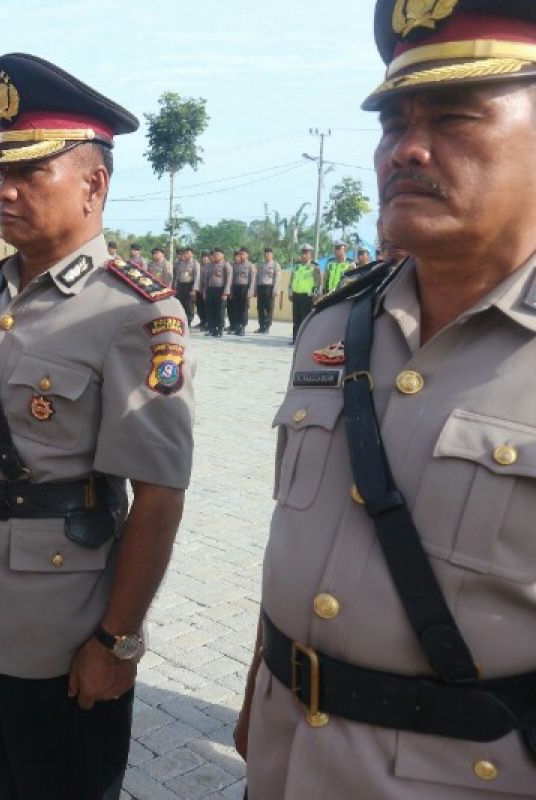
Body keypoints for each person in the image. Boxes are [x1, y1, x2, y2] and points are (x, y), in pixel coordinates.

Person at [236, 2, 536, 797]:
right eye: (392, 121)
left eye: (453, 117)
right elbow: (300, 537)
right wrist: (260, 678)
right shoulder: (338, 325)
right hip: (282, 755)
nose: (405, 148)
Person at [0, 52, 195, 800]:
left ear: (94, 185)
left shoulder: (135, 311)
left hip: (65, 623)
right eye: (2, 175)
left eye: (30, 175)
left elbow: (159, 494)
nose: (8, 194)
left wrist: (117, 639)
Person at [288, 243, 321, 343]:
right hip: (296, 295)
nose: (304, 255)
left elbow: (318, 282)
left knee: (305, 318)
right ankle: (295, 339)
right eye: (302, 253)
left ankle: (304, 339)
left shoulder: (314, 267)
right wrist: (290, 292)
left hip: (307, 297)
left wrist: (315, 295)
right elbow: (291, 280)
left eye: (306, 253)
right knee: (296, 318)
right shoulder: (296, 267)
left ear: (310, 254)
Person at [204, 247, 232, 337]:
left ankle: (220, 329)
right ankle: (212, 329)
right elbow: (206, 279)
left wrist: (225, 292)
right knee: (210, 310)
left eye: (218, 254)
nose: (216, 256)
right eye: (215, 254)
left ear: (222, 255)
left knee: (220, 311)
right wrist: (204, 291)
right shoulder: (210, 265)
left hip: (220, 290)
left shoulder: (226, 265)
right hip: (210, 290)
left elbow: (229, 279)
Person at [228, 246, 255, 335]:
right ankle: (237, 327)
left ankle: (243, 327)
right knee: (236, 308)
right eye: (241, 254)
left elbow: (252, 280)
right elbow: (231, 279)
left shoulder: (250, 266)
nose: (242, 256)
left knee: (243, 308)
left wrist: (250, 291)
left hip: (245, 288)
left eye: (244, 254)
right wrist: (230, 290)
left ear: (247, 255)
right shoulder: (235, 265)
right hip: (236, 288)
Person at [254, 246, 281, 334]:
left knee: (269, 308)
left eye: (269, 254)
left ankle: (267, 326)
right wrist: (255, 289)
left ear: (272, 255)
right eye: (265, 254)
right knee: (260, 308)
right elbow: (257, 277)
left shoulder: (275, 265)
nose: (267, 255)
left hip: (270, 288)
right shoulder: (261, 265)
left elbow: (277, 278)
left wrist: (275, 290)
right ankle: (261, 326)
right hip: (261, 288)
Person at [174, 246, 200, 326]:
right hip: (181, 285)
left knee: (188, 304)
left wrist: (194, 289)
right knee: (180, 303)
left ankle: (189, 320)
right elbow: (178, 275)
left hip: (189, 285)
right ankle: (181, 320)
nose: (186, 254)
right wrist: (175, 286)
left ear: (192, 254)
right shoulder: (181, 263)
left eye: (188, 253)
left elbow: (197, 276)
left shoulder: (195, 263)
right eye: (185, 253)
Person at [195, 250, 212, 331]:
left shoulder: (210, 266)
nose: (204, 259)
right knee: (199, 306)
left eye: (205, 257)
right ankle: (202, 321)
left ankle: (208, 322)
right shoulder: (200, 267)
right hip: (199, 289)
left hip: (207, 290)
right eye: (202, 258)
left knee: (207, 307)